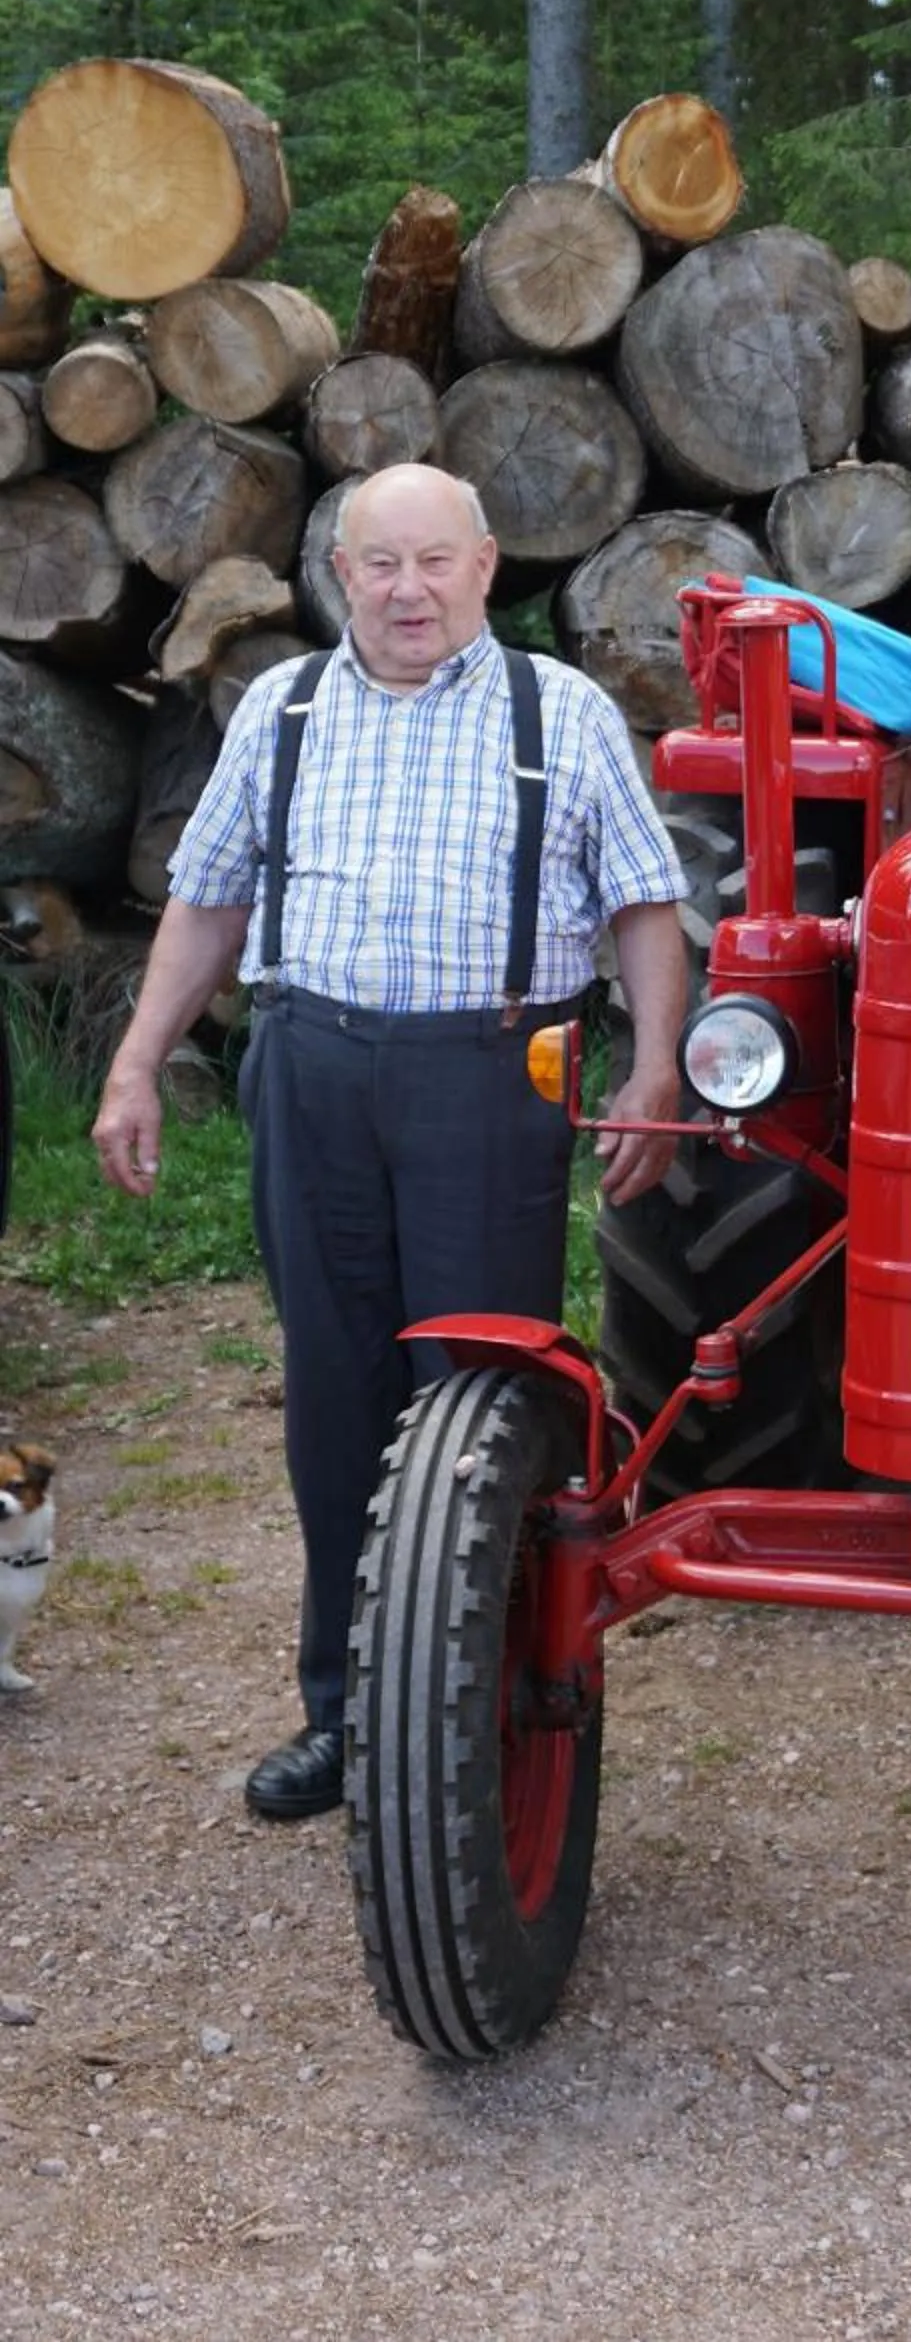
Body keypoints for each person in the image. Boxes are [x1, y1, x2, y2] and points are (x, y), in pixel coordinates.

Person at [91, 465, 689, 1823]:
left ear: (485, 565)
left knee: (482, 1401)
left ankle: (482, 1714)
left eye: (435, 562)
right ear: (340, 574)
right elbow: (204, 903)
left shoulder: (562, 713)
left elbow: (646, 905)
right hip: (314, 1071)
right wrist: (136, 1064)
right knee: (336, 1398)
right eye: (381, 565)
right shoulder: (285, 713)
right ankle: (347, 1716)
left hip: (492, 1078)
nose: (409, 591)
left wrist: (653, 1064)